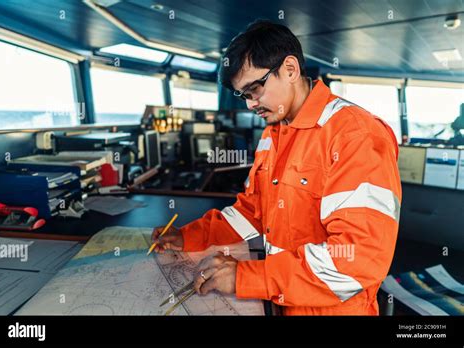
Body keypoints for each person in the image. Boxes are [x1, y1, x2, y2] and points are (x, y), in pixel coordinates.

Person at [151, 20, 402, 315]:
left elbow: (359, 260)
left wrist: (248, 277)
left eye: (255, 89)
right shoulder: (275, 132)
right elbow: (252, 211)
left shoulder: (354, 134)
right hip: (285, 301)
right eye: (244, 95)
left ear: (291, 69)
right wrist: (189, 236)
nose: (250, 105)